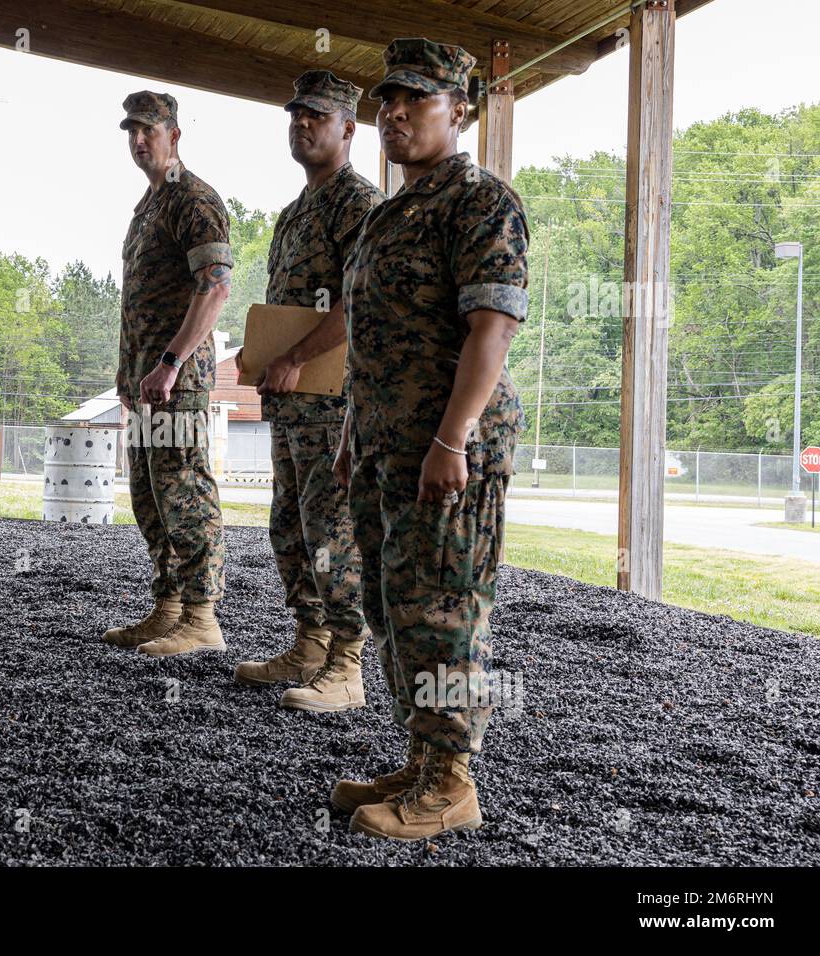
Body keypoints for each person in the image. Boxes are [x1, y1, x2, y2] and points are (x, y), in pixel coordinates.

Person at [330, 38, 529, 840]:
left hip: (444, 451)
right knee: (392, 606)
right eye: (388, 100)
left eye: (416, 98)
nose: (396, 112)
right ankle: (421, 757)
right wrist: (353, 429)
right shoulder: (390, 213)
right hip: (386, 445)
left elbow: (493, 326)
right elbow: (371, 337)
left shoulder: (479, 200)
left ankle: (451, 782)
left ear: (460, 110)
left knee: (444, 610)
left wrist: (453, 439)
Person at [232, 70, 383, 712]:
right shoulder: (295, 213)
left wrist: (293, 356)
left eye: (316, 116)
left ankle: (347, 664)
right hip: (292, 402)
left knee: (331, 531)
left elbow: (358, 302)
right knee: (289, 526)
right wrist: (261, 353)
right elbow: (290, 305)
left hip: (334, 404)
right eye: (295, 115)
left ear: (348, 128)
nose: (302, 125)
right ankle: (310, 643)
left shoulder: (360, 204)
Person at [100, 91, 234, 658]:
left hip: (176, 383)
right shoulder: (149, 204)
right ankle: (171, 608)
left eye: (148, 130)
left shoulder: (194, 200)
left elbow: (216, 288)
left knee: (184, 492)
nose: (138, 140)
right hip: (146, 385)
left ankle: (202, 618)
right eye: (131, 130)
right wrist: (131, 371)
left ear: (174, 135)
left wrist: (170, 362)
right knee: (151, 496)